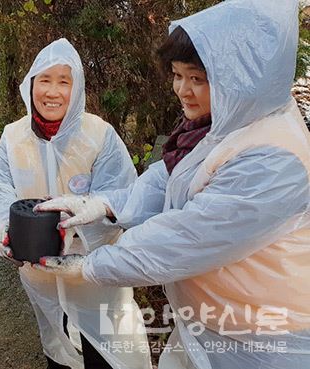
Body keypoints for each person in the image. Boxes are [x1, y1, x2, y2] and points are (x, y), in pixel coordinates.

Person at [35, 1, 310, 369]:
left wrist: (89, 266)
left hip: (260, 340)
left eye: (197, 78)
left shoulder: (272, 159)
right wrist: (101, 205)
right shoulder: (219, 125)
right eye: (177, 75)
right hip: (209, 321)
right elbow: (163, 181)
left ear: (245, 78)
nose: (182, 90)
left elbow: (183, 240)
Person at [0, 39, 151, 369]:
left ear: (77, 87)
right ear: (30, 85)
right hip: (38, 274)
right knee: (57, 347)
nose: (52, 92)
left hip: (93, 274)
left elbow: (121, 196)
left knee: (104, 351)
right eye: (44, 80)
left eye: (63, 81)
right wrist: (5, 233)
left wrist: (77, 235)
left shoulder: (99, 134)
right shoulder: (13, 137)